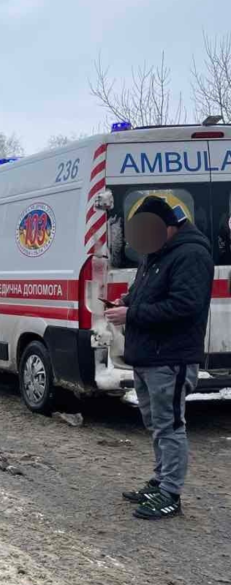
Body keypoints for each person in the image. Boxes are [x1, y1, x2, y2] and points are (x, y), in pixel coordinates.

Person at [104, 196, 214, 520]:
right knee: (155, 424)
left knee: (170, 426)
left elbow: (185, 306)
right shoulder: (156, 253)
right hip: (148, 355)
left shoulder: (191, 254)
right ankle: (160, 480)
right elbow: (149, 292)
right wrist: (126, 299)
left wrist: (132, 313)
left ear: (168, 226)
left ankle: (171, 494)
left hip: (170, 357)